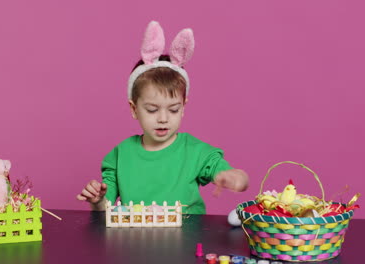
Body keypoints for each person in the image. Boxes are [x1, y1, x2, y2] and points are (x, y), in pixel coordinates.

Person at [77, 21, 248, 214]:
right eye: (152, 110)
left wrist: (234, 177)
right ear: (134, 109)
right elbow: (105, 210)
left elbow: (235, 176)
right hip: (135, 240)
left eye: (173, 110)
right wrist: (97, 200)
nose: (163, 119)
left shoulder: (196, 152)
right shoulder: (120, 155)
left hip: (186, 240)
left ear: (183, 107)